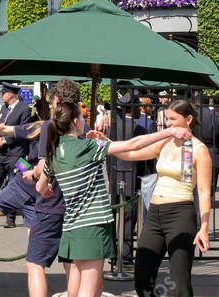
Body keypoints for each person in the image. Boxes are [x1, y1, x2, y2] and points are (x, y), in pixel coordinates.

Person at [38, 101, 191, 297]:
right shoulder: (87, 147)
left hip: (71, 226)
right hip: (93, 225)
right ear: (76, 121)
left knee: (80, 283)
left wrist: (47, 190)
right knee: (89, 287)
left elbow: (40, 186)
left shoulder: (54, 150)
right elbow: (131, 144)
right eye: (83, 118)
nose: (85, 121)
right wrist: (169, 132)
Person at [0, 80, 81, 297]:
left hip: (44, 201)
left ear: (56, 101)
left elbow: (42, 166)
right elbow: (11, 140)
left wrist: (34, 171)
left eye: (51, 102)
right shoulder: (40, 127)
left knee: (40, 261)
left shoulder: (56, 128)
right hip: (23, 187)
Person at [130, 99, 212, 297]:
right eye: (166, 119)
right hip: (154, 214)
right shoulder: (165, 142)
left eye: (173, 119)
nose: (168, 123)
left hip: (180, 214)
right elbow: (133, 152)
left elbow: (203, 191)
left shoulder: (199, 150)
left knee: (178, 283)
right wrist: (104, 144)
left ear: (189, 119)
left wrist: (204, 227)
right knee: (142, 275)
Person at [0, 82, 31, 228]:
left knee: (13, 184)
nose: (1, 95)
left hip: (17, 154)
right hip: (1, 154)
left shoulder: (24, 109)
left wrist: (5, 140)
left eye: (3, 93)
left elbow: (23, 130)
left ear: (10, 94)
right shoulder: (4, 109)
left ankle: (10, 218)